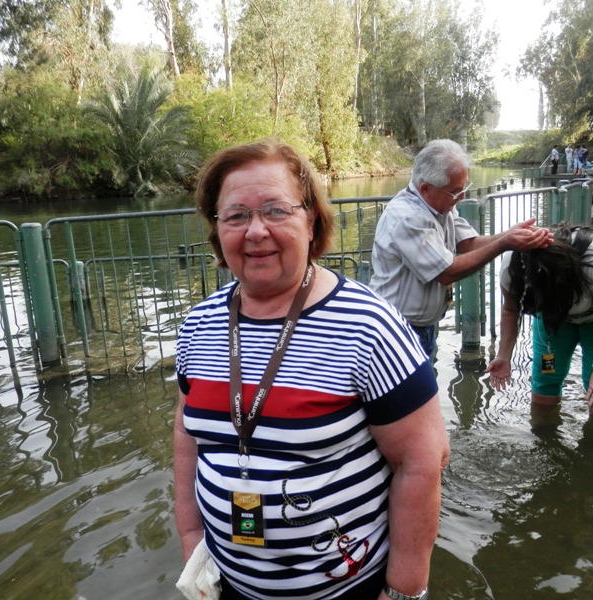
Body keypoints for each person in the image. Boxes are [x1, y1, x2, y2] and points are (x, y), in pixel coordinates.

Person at [174, 138, 450, 600]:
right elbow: (187, 434)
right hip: (227, 584)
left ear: (311, 220)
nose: (255, 231)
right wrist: (190, 538)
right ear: (217, 229)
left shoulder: (369, 325)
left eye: (276, 210)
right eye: (236, 215)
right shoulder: (199, 325)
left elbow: (422, 460)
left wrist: (404, 591)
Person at [368, 139, 553, 359]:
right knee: (407, 392)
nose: (462, 197)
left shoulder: (441, 205)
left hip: (422, 325)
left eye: (464, 187)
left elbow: (467, 244)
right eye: (455, 192)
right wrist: (505, 243)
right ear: (425, 188)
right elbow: (446, 272)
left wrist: (511, 234)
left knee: (423, 387)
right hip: (396, 328)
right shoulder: (408, 217)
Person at [485, 223, 593, 431]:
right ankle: (543, 436)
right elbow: (510, 311)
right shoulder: (514, 266)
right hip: (553, 318)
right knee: (545, 375)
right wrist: (503, 356)